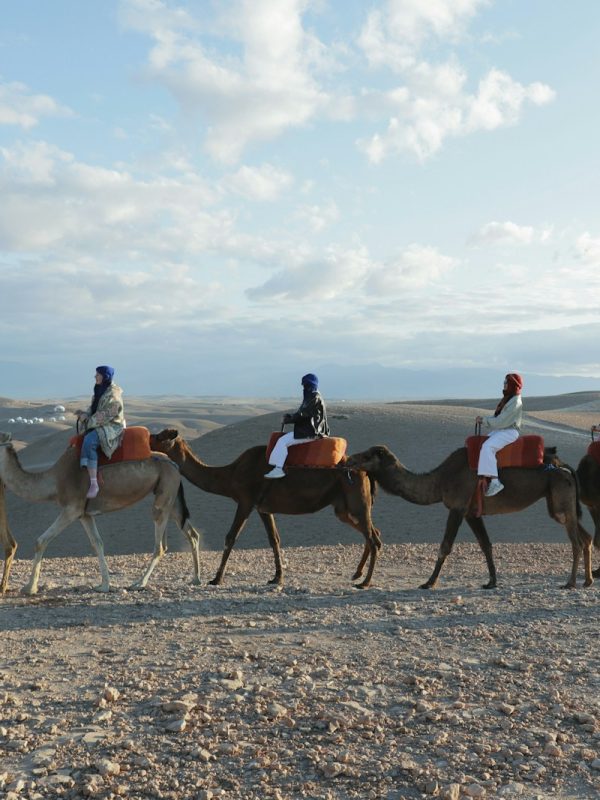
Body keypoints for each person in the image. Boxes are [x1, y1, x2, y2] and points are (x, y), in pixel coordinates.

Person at [265, 373, 330, 479]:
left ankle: (278, 469)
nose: (304, 387)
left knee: (282, 441)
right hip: (313, 430)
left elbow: (303, 414)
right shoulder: (313, 395)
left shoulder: (313, 396)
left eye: (306, 385)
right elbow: (302, 412)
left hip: (312, 432)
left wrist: (289, 420)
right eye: (304, 385)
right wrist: (290, 416)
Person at [75, 366, 125, 498]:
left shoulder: (113, 395)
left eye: (98, 375)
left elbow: (107, 414)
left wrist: (88, 420)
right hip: (99, 423)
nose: (95, 377)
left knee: (89, 440)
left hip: (112, 425)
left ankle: (94, 483)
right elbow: (94, 408)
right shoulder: (99, 391)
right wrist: (84, 414)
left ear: (105, 376)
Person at [476, 372, 523, 497]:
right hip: (503, 429)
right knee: (483, 443)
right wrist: (485, 419)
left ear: (512, 385)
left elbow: (501, 421)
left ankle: (495, 482)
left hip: (509, 431)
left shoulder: (515, 402)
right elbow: (499, 417)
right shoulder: (509, 399)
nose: (504, 385)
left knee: (488, 447)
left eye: (506, 383)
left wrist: (484, 421)